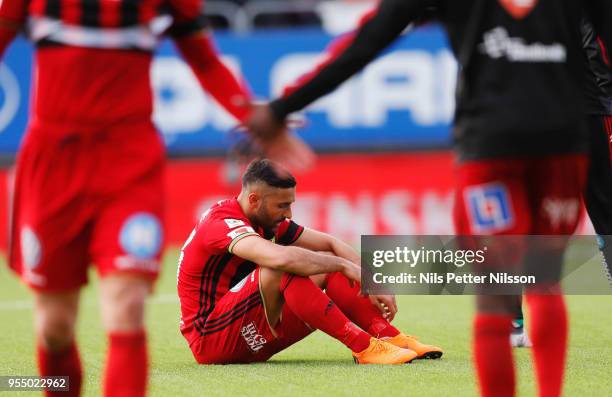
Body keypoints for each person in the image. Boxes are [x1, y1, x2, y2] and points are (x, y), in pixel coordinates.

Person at [246, 0, 612, 396]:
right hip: (564, 141)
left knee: (495, 299)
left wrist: (283, 107)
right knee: (544, 281)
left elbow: (370, 38)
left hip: (491, 146)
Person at [0, 0, 284, 395]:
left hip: (128, 164)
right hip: (53, 166)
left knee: (127, 305)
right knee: (54, 325)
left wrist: (258, 120)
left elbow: (205, 62)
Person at [177, 158, 443, 364]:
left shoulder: (264, 218)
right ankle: (364, 348)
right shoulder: (221, 223)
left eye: (290, 204)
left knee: (324, 261)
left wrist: (370, 278)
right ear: (254, 199)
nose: (288, 213)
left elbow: (331, 244)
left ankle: (387, 335)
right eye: (282, 206)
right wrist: (344, 266)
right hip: (211, 341)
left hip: (251, 331)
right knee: (285, 266)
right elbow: (279, 258)